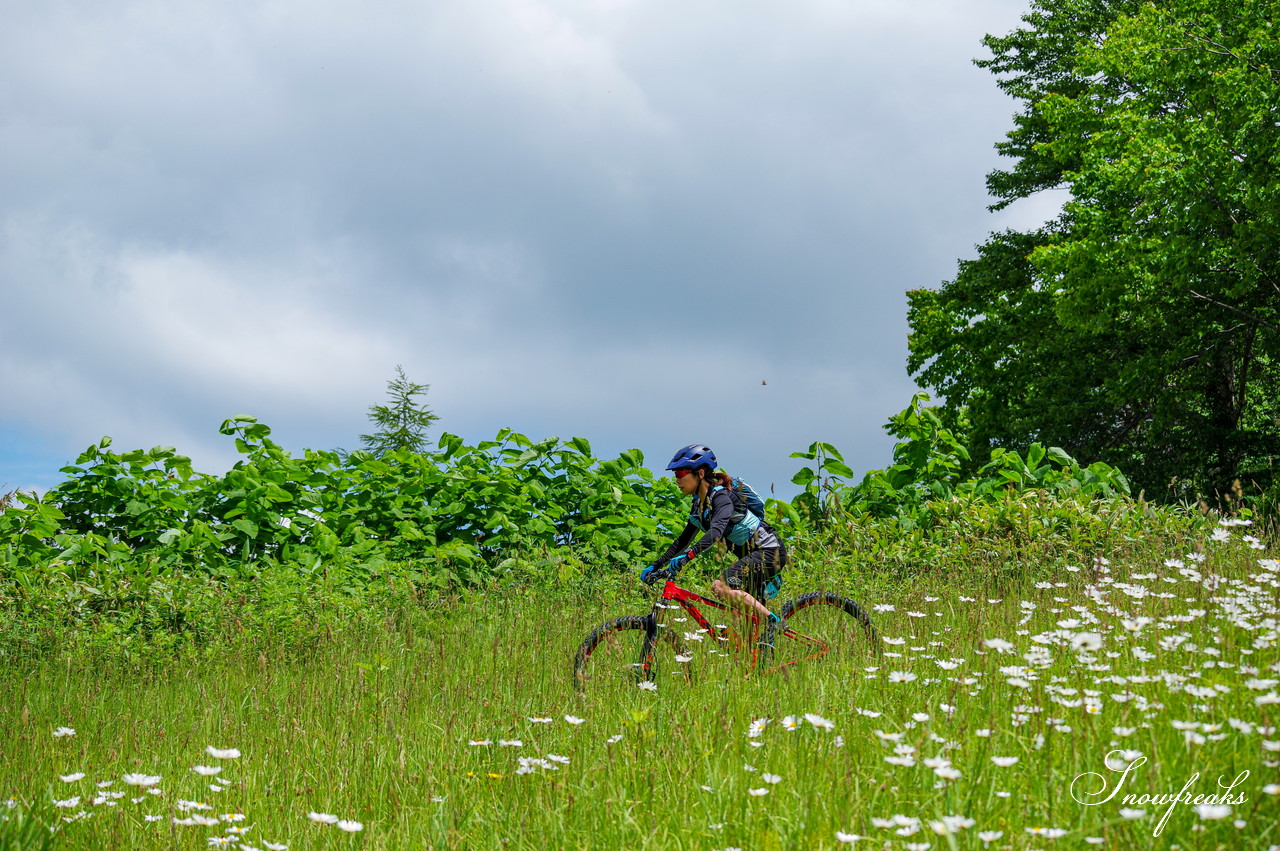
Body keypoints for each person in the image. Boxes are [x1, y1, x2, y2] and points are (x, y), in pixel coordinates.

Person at [640, 444, 787, 642]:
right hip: (749, 558)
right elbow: (682, 541)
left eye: (682, 473)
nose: (677, 479)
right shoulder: (699, 506)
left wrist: (689, 556)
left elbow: (715, 531)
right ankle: (757, 664)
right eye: (676, 474)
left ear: (700, 473)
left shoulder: (722, 498)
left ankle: (774, 622)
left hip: (769, 552)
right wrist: (656, 565)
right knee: (740, 627)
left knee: (720, 587)